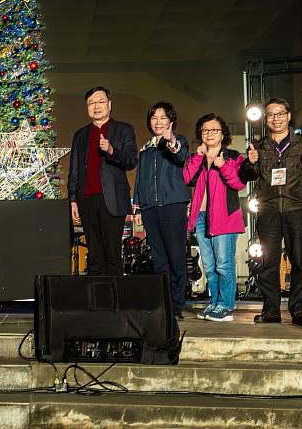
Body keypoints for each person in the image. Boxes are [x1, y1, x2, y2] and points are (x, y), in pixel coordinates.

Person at [239, 97, 302, 325]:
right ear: (265, 120)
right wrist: (250, 163)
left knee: (299, 260)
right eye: (270, 115)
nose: (275, 118)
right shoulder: (258, 146)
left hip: (297, 208)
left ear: (288, 116)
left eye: (280, 114)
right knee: (268, 261)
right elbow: (244, 177)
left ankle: (299, 309)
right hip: (267, 210)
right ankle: (271, 310)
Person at [68, 87, 137, 276]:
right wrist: (72, 198)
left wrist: (112, 150)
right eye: (91, 103)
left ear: (109, 104)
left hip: (113, 198)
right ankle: (97, 301)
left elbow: (132, 161)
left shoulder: (124, 129)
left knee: (113, 253)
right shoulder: (80, 135)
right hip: (87, 199)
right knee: (94, 254)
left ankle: (116, 302)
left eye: (100, 101)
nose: (96, 106)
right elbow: (74, 168)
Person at [183, 114, 246, 322]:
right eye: (205, 130)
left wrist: (223, 165)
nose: (209, 134)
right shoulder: (196, 157)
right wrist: (200, 157)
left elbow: (239, 184)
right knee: (209, 266)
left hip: (224, 218)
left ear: (222, 134)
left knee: (223, 264)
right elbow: (187, 178)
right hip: (201, 217)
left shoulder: (234, 156)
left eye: (214, 130)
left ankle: (226, 305)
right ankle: (214, 303)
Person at [132, 102, 190, 319]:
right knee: (159, 258)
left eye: (162, 117)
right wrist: (138, 206)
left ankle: (176, 305)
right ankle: (163, 304)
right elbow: (140, 179)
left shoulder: (178, 141)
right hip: (149, 208)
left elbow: (181, 156)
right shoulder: (145, 149)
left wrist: (171, 140)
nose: (158, 122)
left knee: (176, 256)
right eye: (154, 118)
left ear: (171, 121)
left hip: (172, 205)